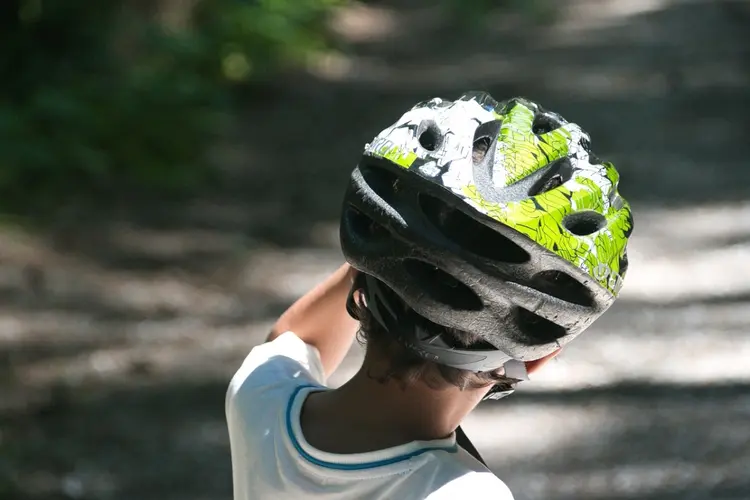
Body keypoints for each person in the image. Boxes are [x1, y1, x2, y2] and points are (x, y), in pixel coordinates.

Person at [225, 92, 634, 499]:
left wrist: (399, 243)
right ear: (539, 356)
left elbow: (297, 338)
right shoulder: (465, 493)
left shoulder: (261, 404)